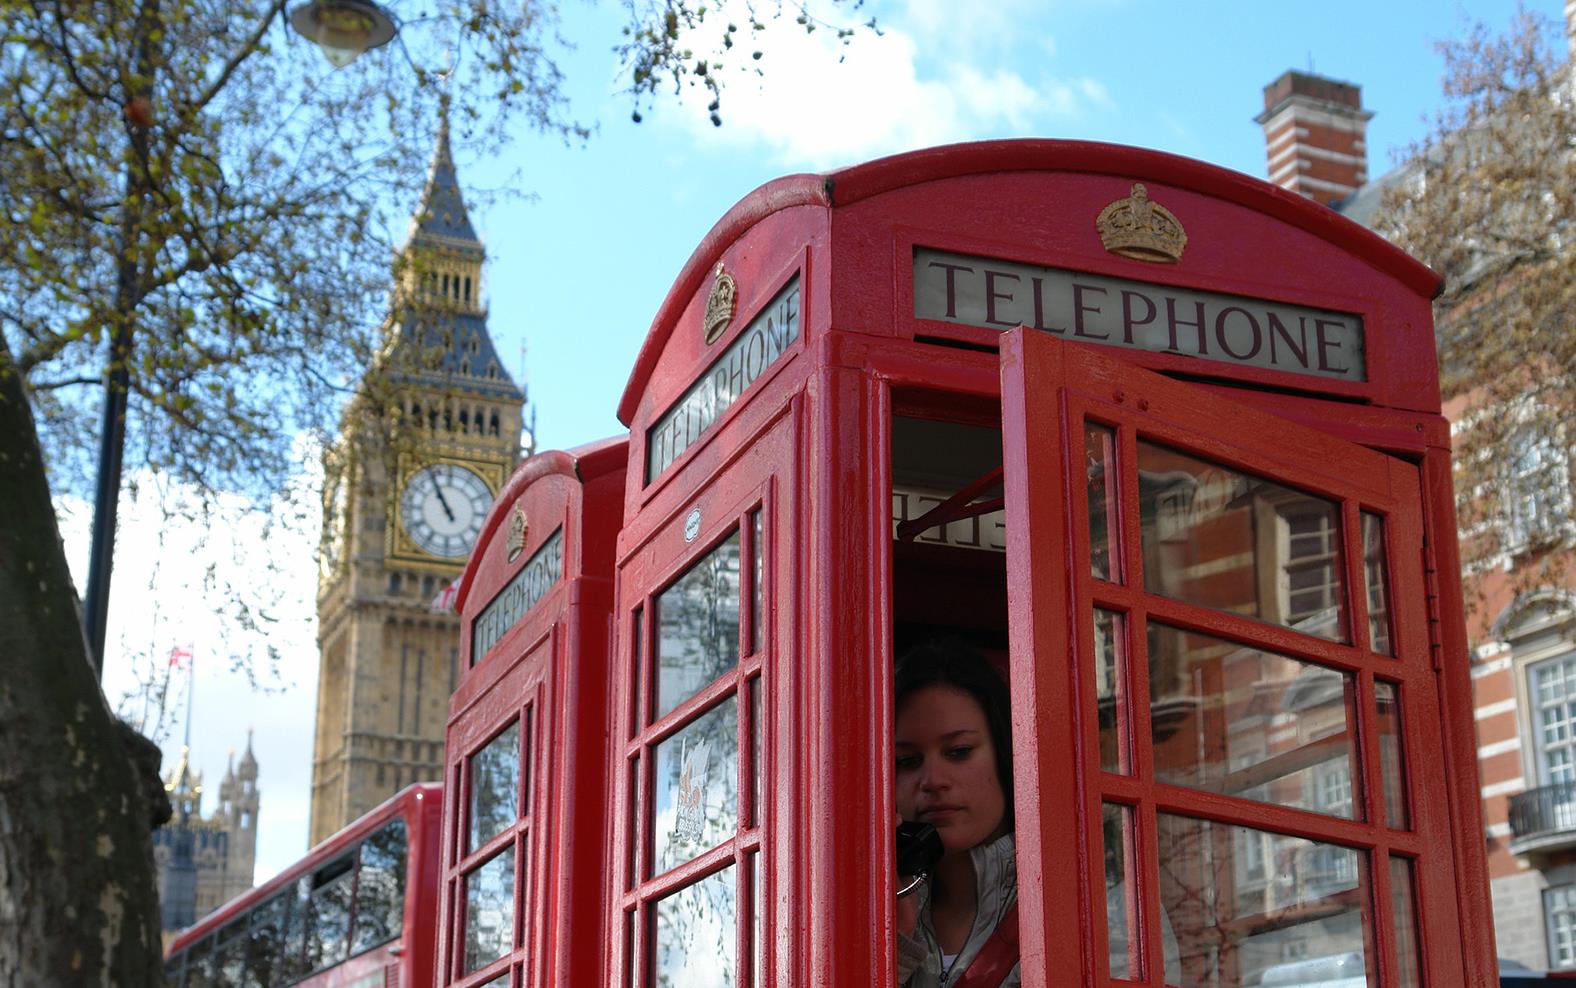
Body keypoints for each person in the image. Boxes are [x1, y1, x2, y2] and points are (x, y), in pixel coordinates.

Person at [893, 640, 1019, 988]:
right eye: (906, 761)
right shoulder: (878, 918)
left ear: (1006, 753)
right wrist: (894, 948)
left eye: (959, 751)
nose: (933, 781)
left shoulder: (1102, 910)